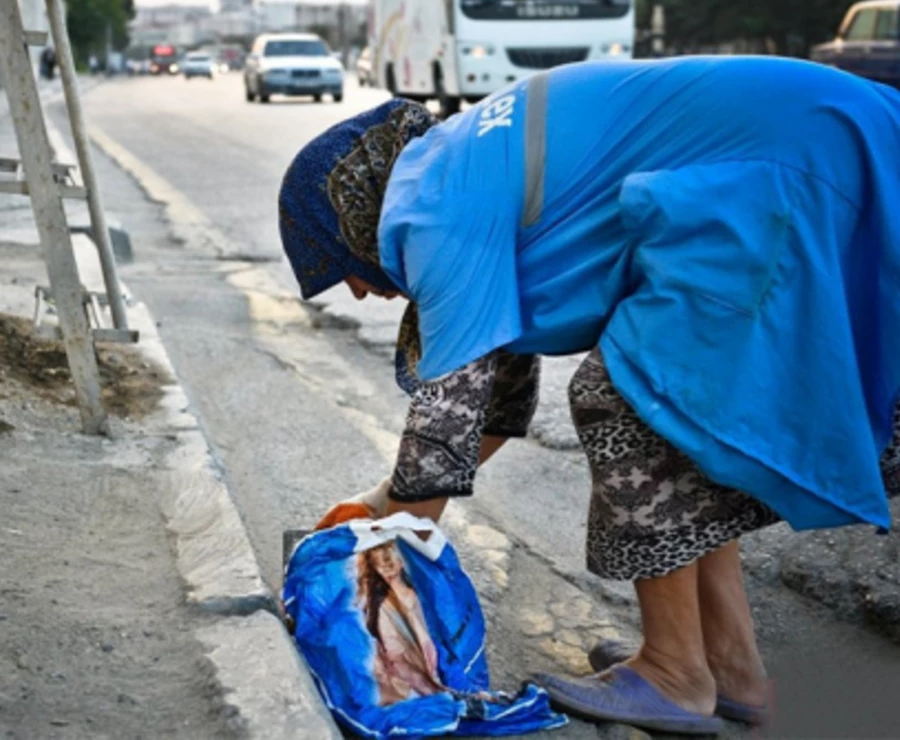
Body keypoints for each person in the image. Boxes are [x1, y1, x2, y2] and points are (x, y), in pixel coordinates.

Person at [278, 56, 900, 735]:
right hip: (823, 134)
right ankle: (728, 668)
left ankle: (673, 672)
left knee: (635, 395)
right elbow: (494, 407)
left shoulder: (432, 208)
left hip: (797, 160)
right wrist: (372, 508)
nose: (360, 292)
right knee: (690, 421)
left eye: (340, 268)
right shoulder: (459, 170)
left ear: (351, 212)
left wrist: (364, 562)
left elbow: (443, 440)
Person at [357, 541, 444, 705]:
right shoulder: (383, 605)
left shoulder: (417, 595)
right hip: (404, 667)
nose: (387, 568)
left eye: (390, 562)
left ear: (402, 562)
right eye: (381, 565)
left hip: (424, 660)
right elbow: (393, 648)